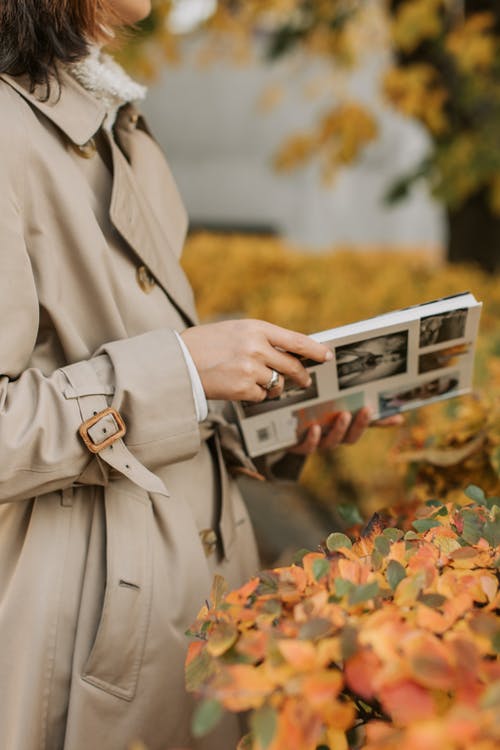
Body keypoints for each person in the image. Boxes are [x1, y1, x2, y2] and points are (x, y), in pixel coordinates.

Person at [0, 2, 399, 748]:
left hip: (194, 621)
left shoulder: (119, 126)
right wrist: (181, 367)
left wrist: (273, 426)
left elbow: (131, 399)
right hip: (77, 648)